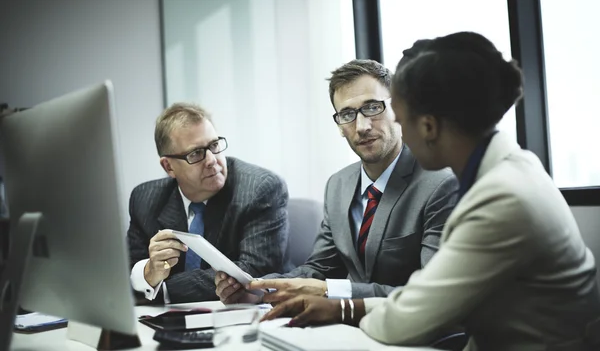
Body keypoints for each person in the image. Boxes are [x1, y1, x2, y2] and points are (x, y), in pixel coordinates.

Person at [259, 32, 600, 350]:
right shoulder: (513, 168)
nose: (395, 131)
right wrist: (336, 307)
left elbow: (406, 320)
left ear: (428, 127)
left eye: (400, 119)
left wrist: (343, 308)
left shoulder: (500, 199)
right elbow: (424, 300)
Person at [215, 59, 458, 304]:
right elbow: (321, 269)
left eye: (373, 107)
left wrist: (332, 292)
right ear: (340, 126)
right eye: (347, 114)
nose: (361, 126)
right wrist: (259, 288)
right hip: (349, 328)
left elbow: (433, 296)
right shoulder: (338, 185)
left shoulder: (440, 184)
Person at [127, 103, 291, 304]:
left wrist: (155, 286)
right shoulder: (145, 198)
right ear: (168, 166)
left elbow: (251, 274)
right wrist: (149, 272)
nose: (212, 160)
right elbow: (127, 274)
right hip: (167, 321)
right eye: (195, 153)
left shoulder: (259, 189)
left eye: (214, 145)